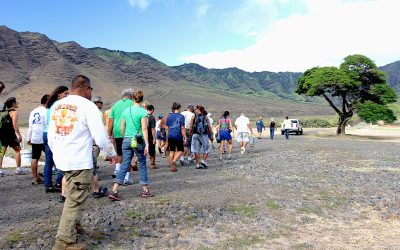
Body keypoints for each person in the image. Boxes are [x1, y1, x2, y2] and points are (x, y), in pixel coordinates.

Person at [48, 75, 117, 250]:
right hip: (79, 160)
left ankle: (74, 226)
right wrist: (112, 153)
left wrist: (58, 154)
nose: (91, 92)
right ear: (86, 87)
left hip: (62, 159)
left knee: (74, 195)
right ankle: (64, 241)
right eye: (91, 89)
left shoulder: (58, 105)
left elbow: (50, 135)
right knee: (75, 199)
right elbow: (100, 136)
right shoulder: (88, 106)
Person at [108, 90, 153, 201]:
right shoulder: (143, 112)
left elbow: (122, 127)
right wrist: (147, 144)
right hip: (138, 140)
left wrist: (125, 137)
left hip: (127, 140)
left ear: (133, 99)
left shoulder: (126, 111)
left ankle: (114, 190)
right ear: (142, 100)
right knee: (142, 163)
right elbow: (144, 129)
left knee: (124, 164)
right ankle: (145, 190)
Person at [43, 86, 69, 195]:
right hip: (55, 134)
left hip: (46, 133)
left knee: (49, 162)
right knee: (61, 159)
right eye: (65, 94)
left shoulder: (50, 105)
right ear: (59, 94)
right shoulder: (59, 106)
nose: (67, 96)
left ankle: (48, 185)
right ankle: (59, 182)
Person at [108, 89, 134, 179]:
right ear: (131, 96)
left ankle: (117, 169)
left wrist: (109, 134)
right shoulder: (132, 103)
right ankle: (126, 177)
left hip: (117, 132)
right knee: (129, 155)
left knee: (119, 153)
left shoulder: (115, 104)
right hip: (129, 133)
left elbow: (110, 121)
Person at [27, 94, 49, 185]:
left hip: (35, 137)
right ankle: (47, 175)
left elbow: (30, 126)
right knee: (50, 156)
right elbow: (47, 124)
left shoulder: (33, 111)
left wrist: (29, 137)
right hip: (44, 136)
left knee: (35, 157)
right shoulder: (46, 111)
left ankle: (35, 177)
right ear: (47, 101)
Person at [0, 97, 24, 176]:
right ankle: (18, 169)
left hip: (2, 133)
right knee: (17, 150)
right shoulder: (14, 112)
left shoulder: (4, 112)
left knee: (1, 153)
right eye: (17, 102)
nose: (18, 103)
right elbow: (14, 125)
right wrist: (19, 135)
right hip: (10, 134)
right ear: (13, 104)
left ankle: (0, 171)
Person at [91, 96, 108, 198]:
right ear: (97, 103)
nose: (102, 104)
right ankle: (96, 190)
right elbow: (99, 128)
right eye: (101, 102)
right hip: (93, 142)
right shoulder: (97, 113)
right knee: (93, 165)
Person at [166, 102, 186, 172]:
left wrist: (167, 136)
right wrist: (185, 136)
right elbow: (182, 128)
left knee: (172, 150)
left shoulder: (169, 116)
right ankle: (173, 162)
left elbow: (167, 128)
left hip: (170, 135)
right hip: (178, 135)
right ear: (179, 108)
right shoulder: (181, 116)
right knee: (180, 150)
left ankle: (172, 166)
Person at [146, 104, 158, 169]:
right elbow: (152, 129)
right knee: (152, 150)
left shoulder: (143, 116)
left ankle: (135, 162)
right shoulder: (152, 117)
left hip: (143, 136)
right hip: (150, 136)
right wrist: (154, 138)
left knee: (142, 151)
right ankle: (152, 164)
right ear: (152, 110)